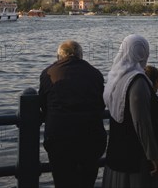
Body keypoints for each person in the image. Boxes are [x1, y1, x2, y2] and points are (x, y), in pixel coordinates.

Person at [39, 40, 107, 188]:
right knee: (86, 181)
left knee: (62, 180)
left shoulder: (48, 73)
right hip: (90, 138)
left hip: (59, 138)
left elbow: (43, 106)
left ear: (59, 56)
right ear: (80, 55)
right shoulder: (95, 73)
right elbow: (101, 105)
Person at [102, 35, 158, 188]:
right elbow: (141, 123)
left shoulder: (116, 77)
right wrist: (153, 156)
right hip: (136, 158)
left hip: (117, 151)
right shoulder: (138, 81)